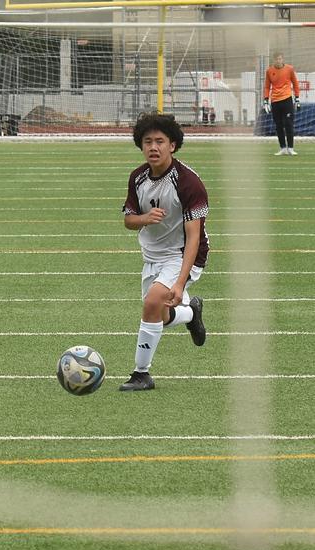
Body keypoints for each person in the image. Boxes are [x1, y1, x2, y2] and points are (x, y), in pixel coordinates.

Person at [119, 112, 209, 392]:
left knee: (153, 303)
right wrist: (144, 218)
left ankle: (141, 373)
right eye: (147, 141)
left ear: (173, 145)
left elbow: (194, 236)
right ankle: (191, 314)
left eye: (160, 141)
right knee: (161, 313)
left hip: (184, 255)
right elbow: (128, 220)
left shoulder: (188, 182)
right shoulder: (137, 178)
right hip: (152, 257)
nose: (153, 147)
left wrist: (181, 283)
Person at [262, 52, 301, 156]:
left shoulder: (289, 69)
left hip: (287, 99)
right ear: (273, 60)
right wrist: (266, 100)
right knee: (278, 125)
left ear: (282, 59)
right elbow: (266, 86)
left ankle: (291, 148)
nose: (278, 61)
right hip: (275, 101)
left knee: (288, 124)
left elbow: (295, 84)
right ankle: (283, 148)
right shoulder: (269, 71)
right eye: (276, 59)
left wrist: (297, 99)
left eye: (280, 59)